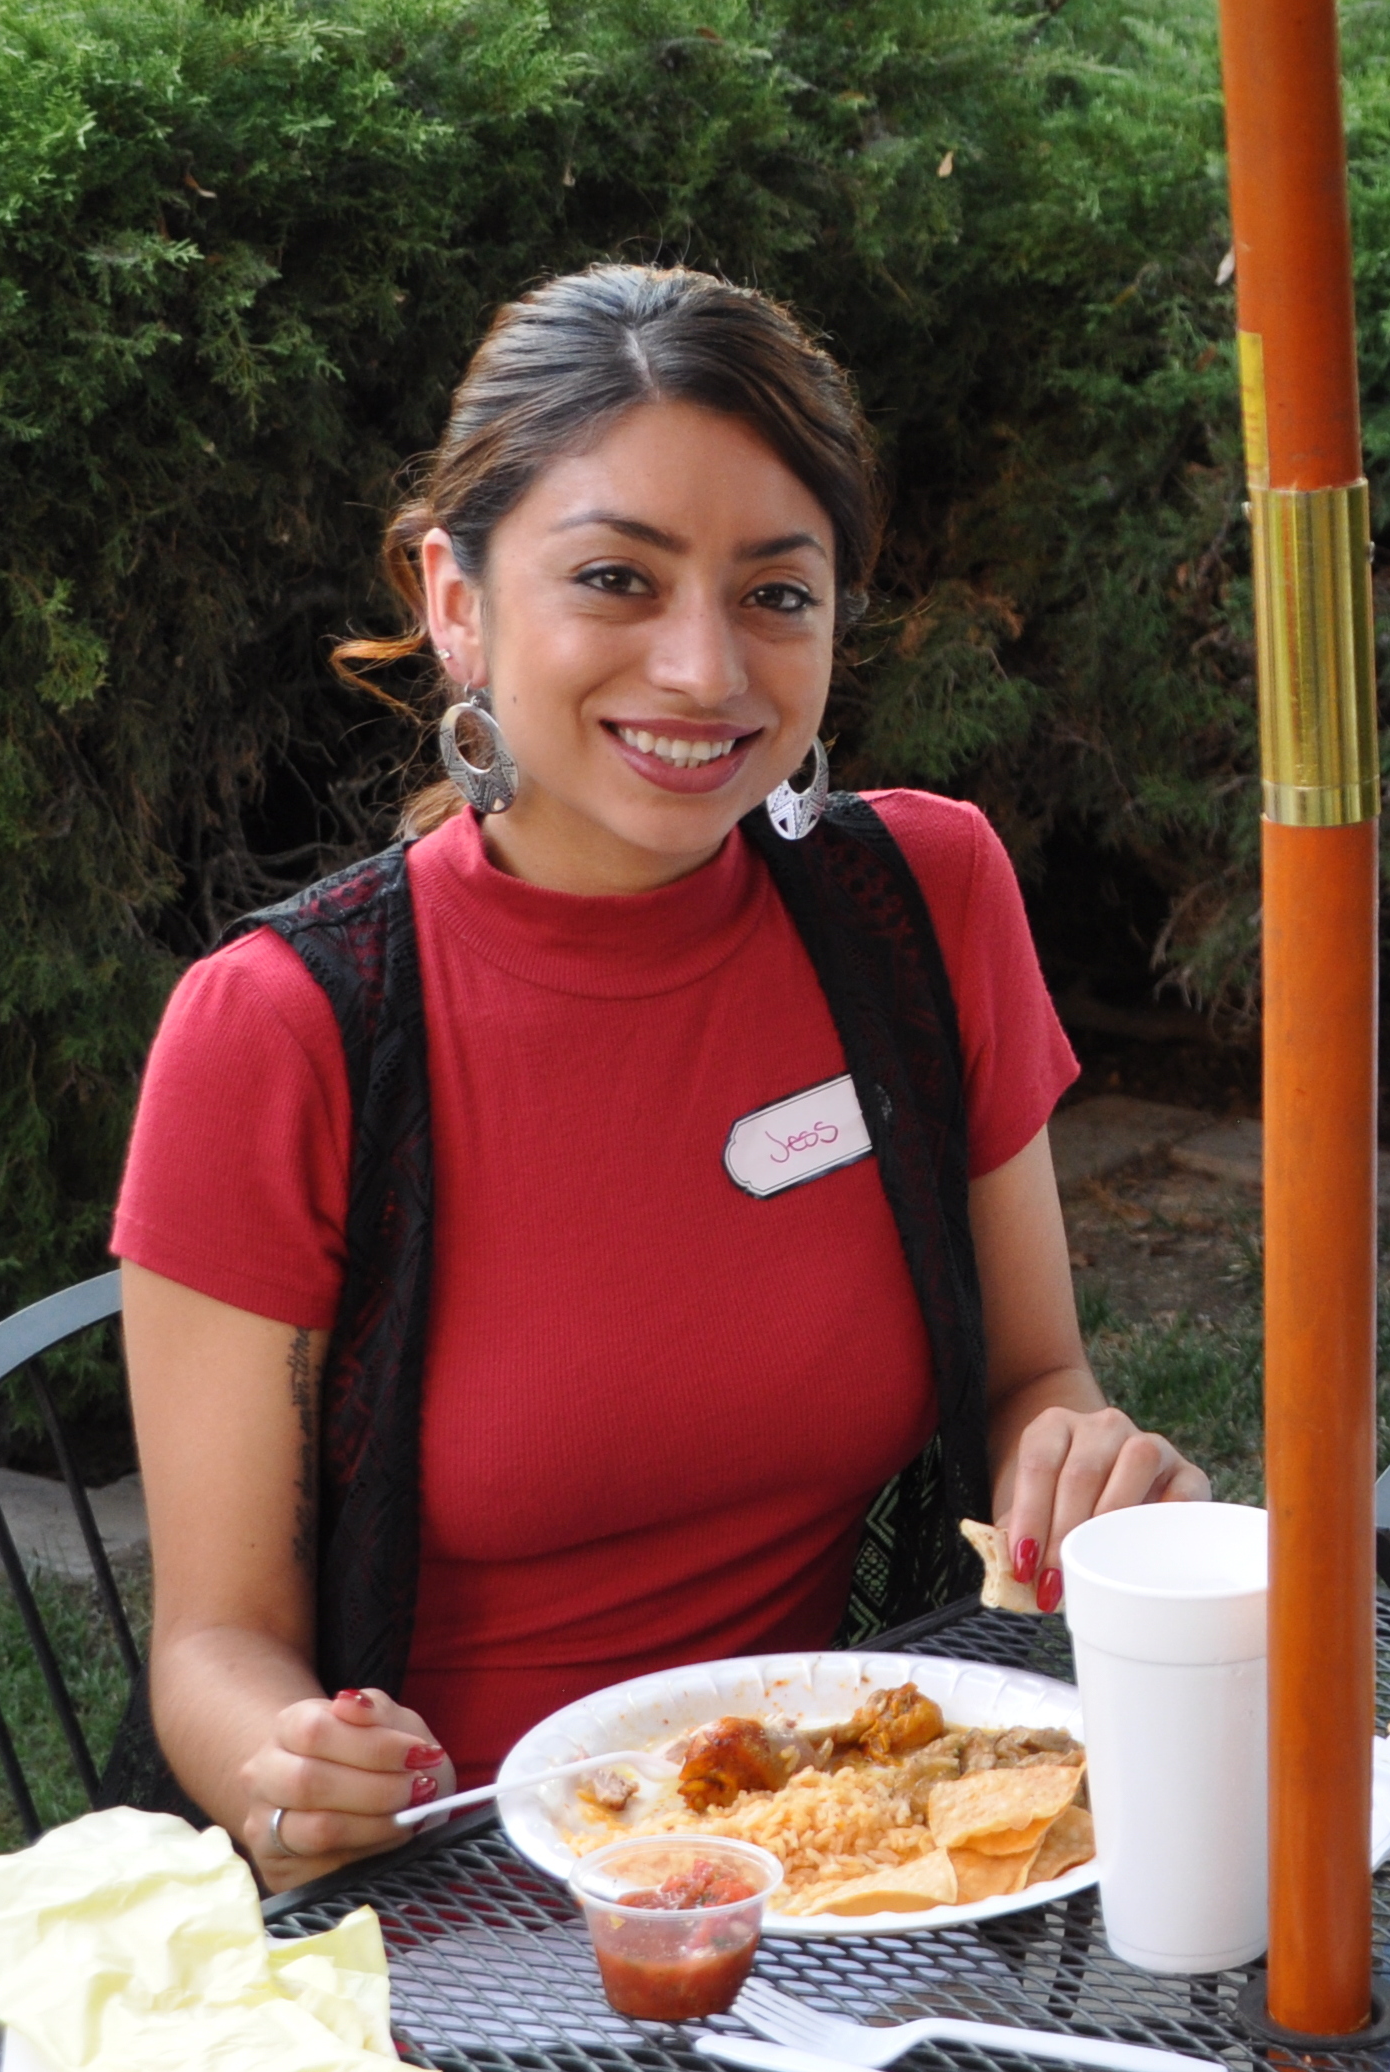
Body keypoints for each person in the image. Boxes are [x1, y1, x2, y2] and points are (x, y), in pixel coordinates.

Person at [117, 266, 1209, 1891]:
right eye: (617, 578)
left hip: (840, 1866)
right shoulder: (285, 1027)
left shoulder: (920, 909)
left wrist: (1081, 1459)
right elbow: (214, 1644)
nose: (705, 669)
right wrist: (288, 1771)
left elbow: (1030, 1378)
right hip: (447, 1896)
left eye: (777, 593)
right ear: (456, 600)